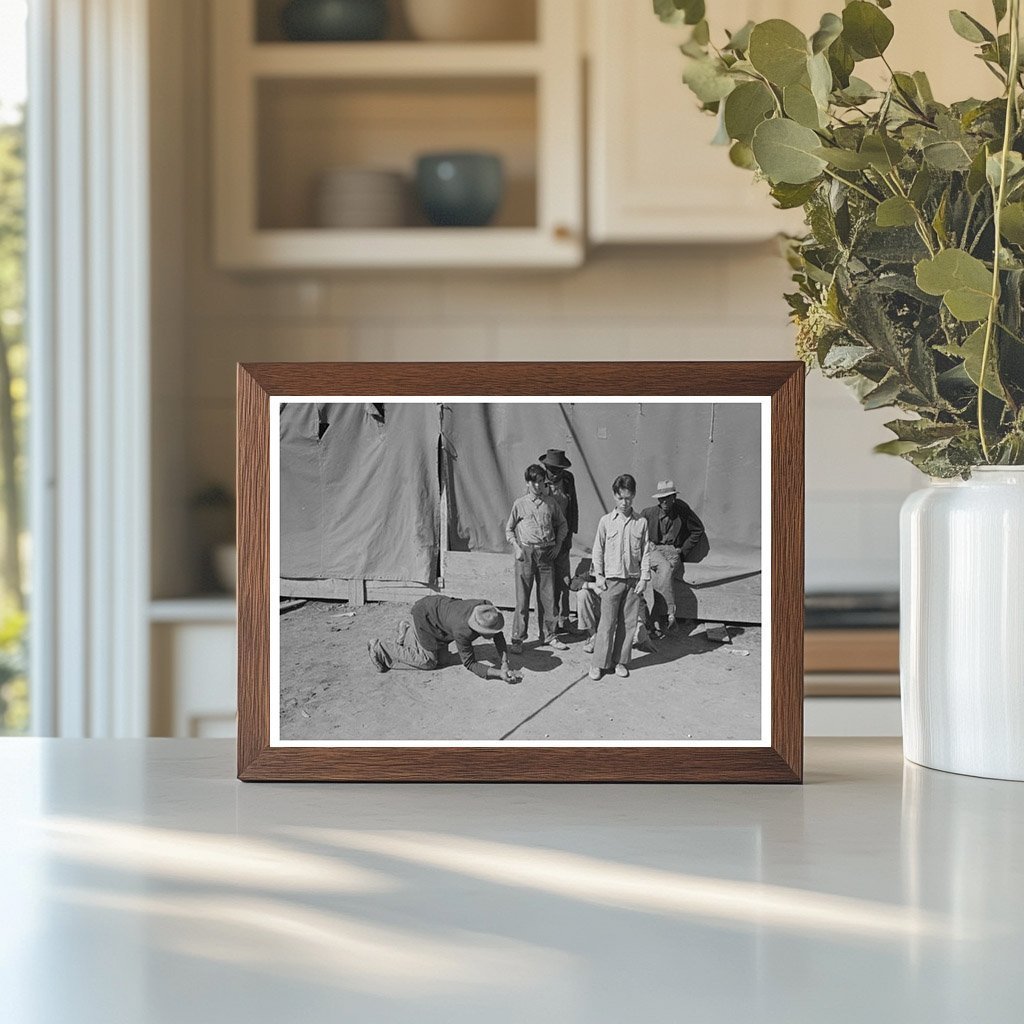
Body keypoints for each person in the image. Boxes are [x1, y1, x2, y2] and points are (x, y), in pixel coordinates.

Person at [589, 473, 651, 680]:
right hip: (611, 581)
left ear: (633, 496)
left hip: (633, 582)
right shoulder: (606, 522)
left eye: (629, 498)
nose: (625, 502)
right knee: (606, 624)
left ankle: (620, 662)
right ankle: (599, 664)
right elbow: (597, 551)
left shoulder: (641, 522)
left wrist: (643, 579)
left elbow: (645, 552)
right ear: (614, 496)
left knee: (628, 624)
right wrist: (598, 576)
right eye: (621, 497)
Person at [367, 595, 516, 681]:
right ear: (477, 628)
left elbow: (498, 634)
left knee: (444, 660)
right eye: (489, 632)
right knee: (428, 662)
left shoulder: (486, 609)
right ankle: (380, 648)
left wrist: (504, 663)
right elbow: (470, 663)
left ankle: (407, 630)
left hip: (438, 613)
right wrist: (499, 674)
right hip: (425, 618)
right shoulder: (462, 631)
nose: (493, 634)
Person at [505, 464, 569, 653]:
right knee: (522, 599)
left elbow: (563, 525)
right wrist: (516, 548)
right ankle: (517, 639)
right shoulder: (520, 503)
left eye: (541, 481)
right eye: (534, 482)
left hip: (546, 554)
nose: (538, 486)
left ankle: (549, 635)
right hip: (526, 554)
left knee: (548, 598)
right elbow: (509, 529)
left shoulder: (550, 503)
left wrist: (557, 545)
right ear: (527, 483)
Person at [640, 480, 707, 635]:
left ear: (674, 497)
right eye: (661, 498)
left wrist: (682, 551)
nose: (664, 501)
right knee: (665, 571)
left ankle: (653, 621)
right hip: (653, 550)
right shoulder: (648, 513)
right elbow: (636, 533)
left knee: (665, 574)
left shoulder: (682, 511)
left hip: (672, 551)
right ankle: (669, 614)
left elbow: (698, 530)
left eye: (668, 497)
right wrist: (647, 543)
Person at [538, 448, 579, 635]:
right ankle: (550, 625)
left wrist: (571, 533)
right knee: (548, 583)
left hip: (563, 538)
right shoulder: (539, 481)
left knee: (564, 580)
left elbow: (573, 506)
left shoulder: (568, 480)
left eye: (560, 469)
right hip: (546, 539)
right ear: (546, 467)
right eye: (553, 469)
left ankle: (565, 619)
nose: (556, 473)